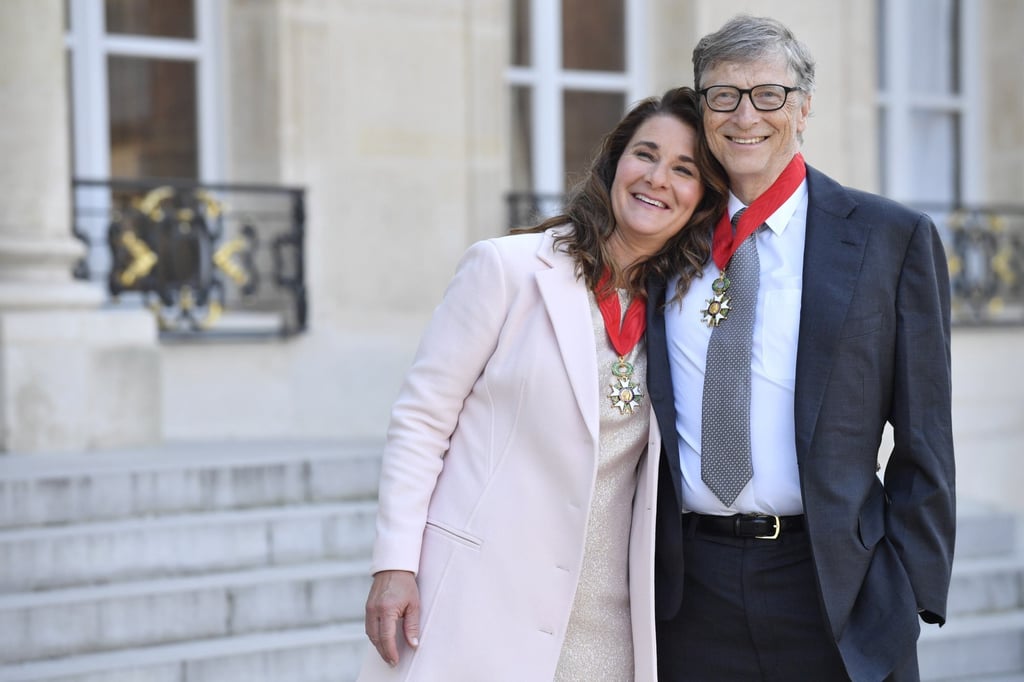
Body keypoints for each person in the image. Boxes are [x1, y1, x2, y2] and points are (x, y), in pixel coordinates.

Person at [358, 86, 727, 681]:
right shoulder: (506, 269)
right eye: (645, 154)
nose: (658, 178)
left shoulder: (680, 312)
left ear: (702, 200)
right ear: (614, 163)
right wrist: (394, 563)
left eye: (684, 170)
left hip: (609, 621)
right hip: (482, 597)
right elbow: (422, 421)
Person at [647, 15, 956, 682]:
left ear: (804, 107)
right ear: (702, 110)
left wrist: (909, 591)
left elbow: (925, 437)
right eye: (723, 96)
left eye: (769, 94)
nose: (745, 116)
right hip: (689, 595)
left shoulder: (889, 238)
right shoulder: (666, 240)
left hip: (835, 589)